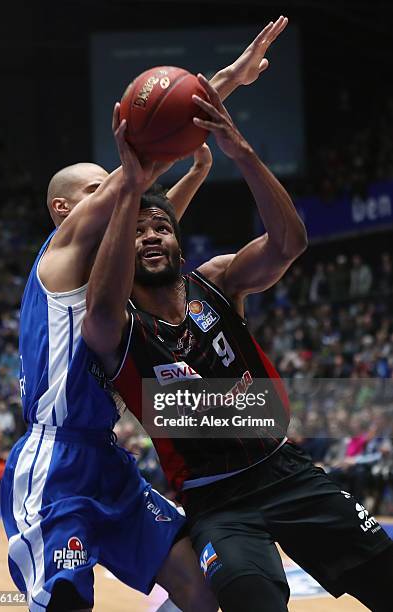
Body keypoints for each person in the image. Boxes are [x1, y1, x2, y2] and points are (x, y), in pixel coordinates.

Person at [0, 17, 290, 611]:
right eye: (97, 188)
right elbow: (142, 171)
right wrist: (225, 83)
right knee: (63, 603)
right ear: (63, 208)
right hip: (54, 462)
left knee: (203, 592)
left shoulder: (109, 261)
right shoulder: (62, 251)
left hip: (106, 457)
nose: (114, 190)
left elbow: (145, 220)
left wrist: (194, 169)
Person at [88, 76, 393, 612]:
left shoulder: (219, 280)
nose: (149, 235)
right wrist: (131, 190)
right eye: (135, 231)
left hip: (286, 471)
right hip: (216, 502)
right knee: (253, 599)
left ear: (178, 240)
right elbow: (100, 309)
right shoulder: (116, 327)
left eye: (159, 226)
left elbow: (288, 243)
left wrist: (241, 152)